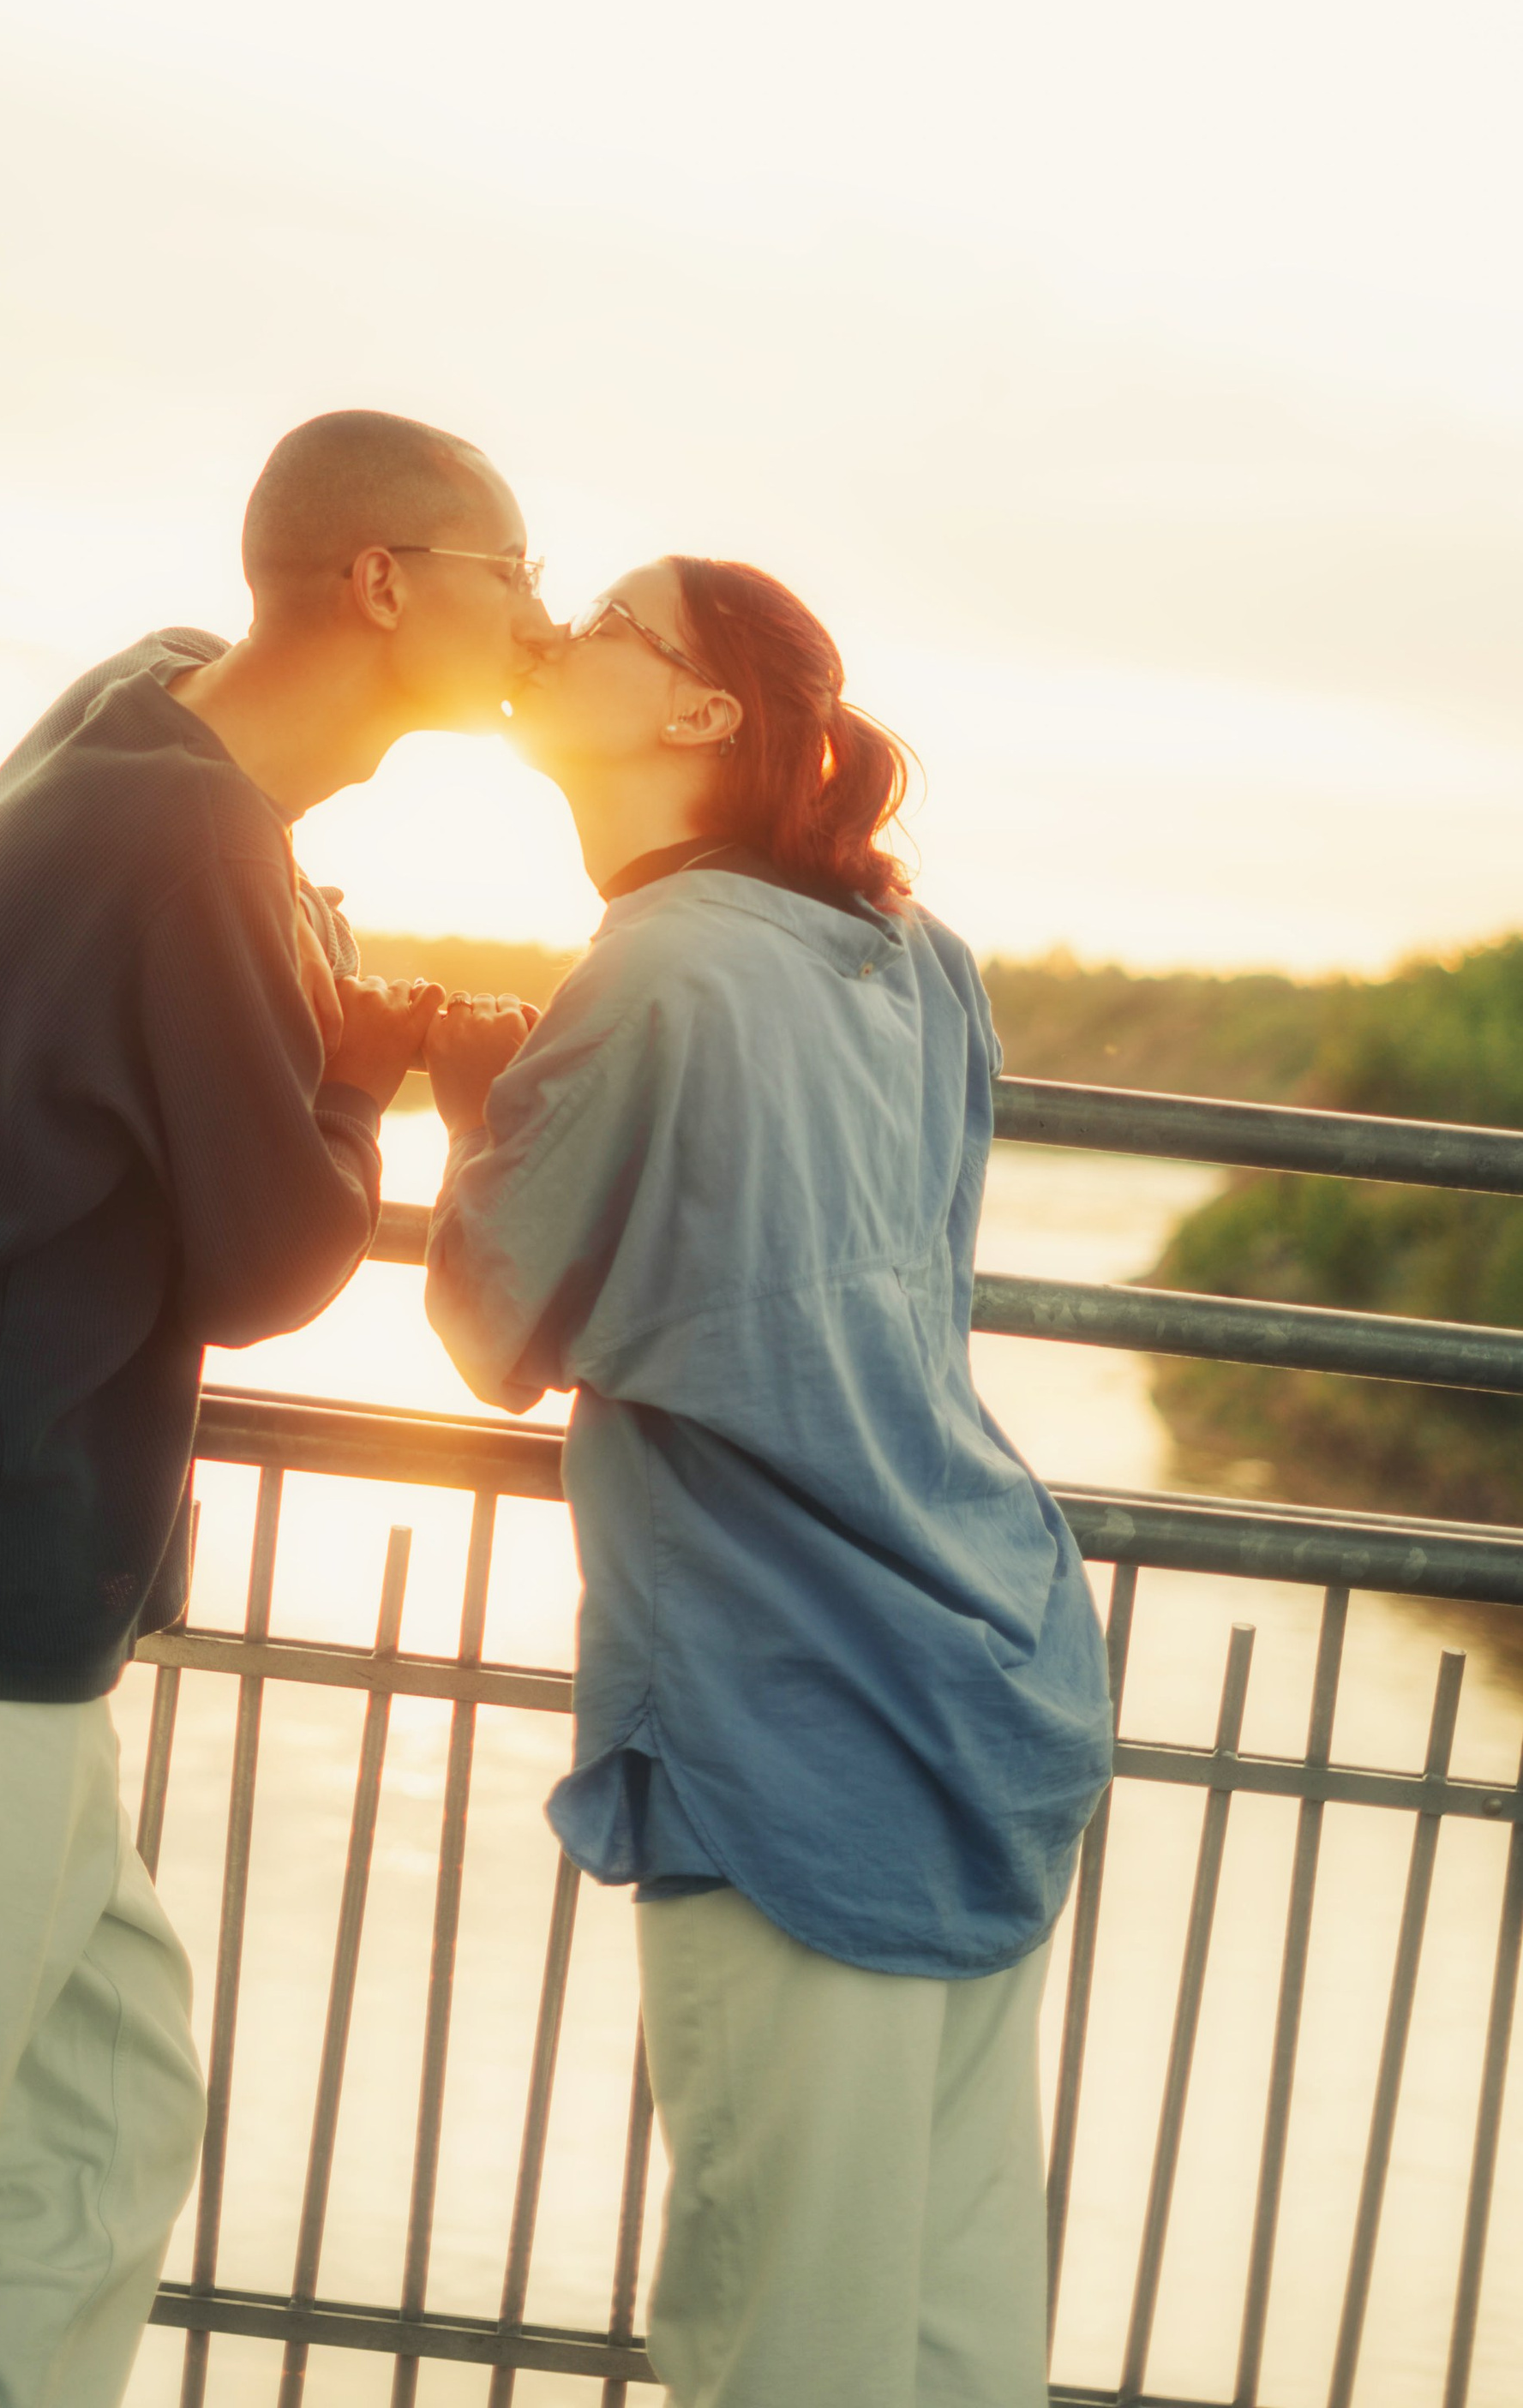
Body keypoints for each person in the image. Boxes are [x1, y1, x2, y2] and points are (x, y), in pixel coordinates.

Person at [0, 410, 556, 2408]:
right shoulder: (184, 835)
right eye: (508, 572)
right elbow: (269, 1265)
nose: (533, 613)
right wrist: (359, 1069)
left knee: (99, 2113)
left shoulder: (146, 723)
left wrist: (298, 967)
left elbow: (192, 700)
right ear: (378, 583)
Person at [421, 557, 1113, 2408]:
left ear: (696, 715)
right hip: (990, 1661)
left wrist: (467, 1105)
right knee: (939, 2320)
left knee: (776, 2332)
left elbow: (495, 1325)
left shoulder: (647, 968)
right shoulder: (918, 961)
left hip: (789, 1708)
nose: (547, 637)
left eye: (598, 627)